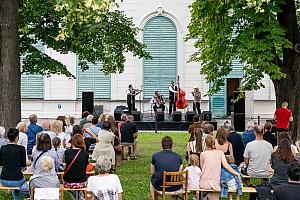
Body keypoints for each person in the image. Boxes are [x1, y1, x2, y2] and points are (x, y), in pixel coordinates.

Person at [199, 135, 241, 200]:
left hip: (204, 182)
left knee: (209, 193)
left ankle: (206, 196)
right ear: (214, 143)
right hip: (216, 183)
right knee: (214, 194)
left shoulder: (202, 154)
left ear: (205, 143)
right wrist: (237, 173)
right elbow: (226, 166)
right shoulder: (220, 153)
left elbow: (202, 169)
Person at [150, 136, 183, 200]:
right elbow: (179, 172)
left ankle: (153, 198)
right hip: (175, 186)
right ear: (171, 144)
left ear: (162, 144)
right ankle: (173, 198)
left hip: (160, 185)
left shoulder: (155, 155)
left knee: (151, 179)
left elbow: (152, 172)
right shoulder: (178, 157)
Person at [0, 128, 27, 200]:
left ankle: (16, 198)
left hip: (3, 180)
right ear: (17, 137)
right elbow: (23, 165)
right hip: (17, 180)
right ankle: (23, 197)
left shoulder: (3, 148)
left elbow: (1, 163)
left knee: (17, 176)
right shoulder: (21, 148)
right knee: (25, 180)